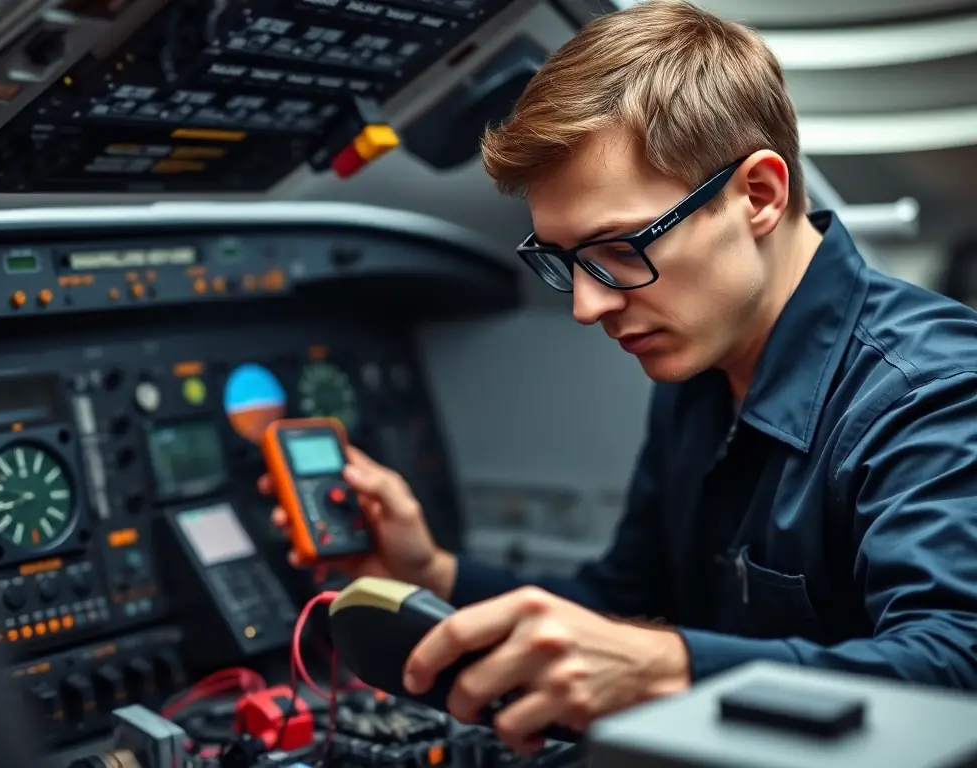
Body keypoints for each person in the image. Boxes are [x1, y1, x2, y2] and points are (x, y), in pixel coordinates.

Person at [262, 0, 977, 753]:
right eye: (564, 262)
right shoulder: (697, 378)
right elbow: (617, 608)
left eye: (617, 249)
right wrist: (433, 571)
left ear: (758, 196)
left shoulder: (930, 389)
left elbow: (956, 663)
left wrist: (670, 668)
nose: (587, 304)